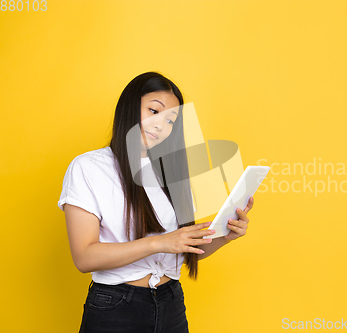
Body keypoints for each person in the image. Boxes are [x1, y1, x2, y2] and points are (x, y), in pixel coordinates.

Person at [57, 71, 254, 333]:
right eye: (154, 111)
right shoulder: (89, 167)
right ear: (130, 107)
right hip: (116, 307)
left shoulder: (172, 172)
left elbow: (182, 251)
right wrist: (160, 241)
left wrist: (225, 235)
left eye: (172, 120)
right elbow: (84, 257)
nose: (162, 126)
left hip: (170, 302)